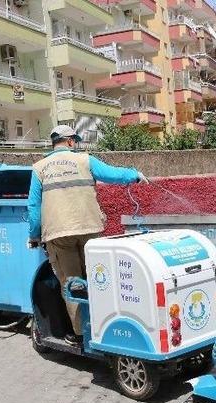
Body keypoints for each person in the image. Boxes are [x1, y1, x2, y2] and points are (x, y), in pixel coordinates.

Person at [27, 125, 148, 346]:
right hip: (90, 230)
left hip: (59, 234)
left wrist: (34, 236)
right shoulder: (85, 160)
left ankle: (80, 335)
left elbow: (34, 208)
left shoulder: (39, 168)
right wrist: (135, 175)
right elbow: (112, 174)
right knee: (97, 280)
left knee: (71, 283)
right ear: (71, 141)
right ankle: (103, 328)